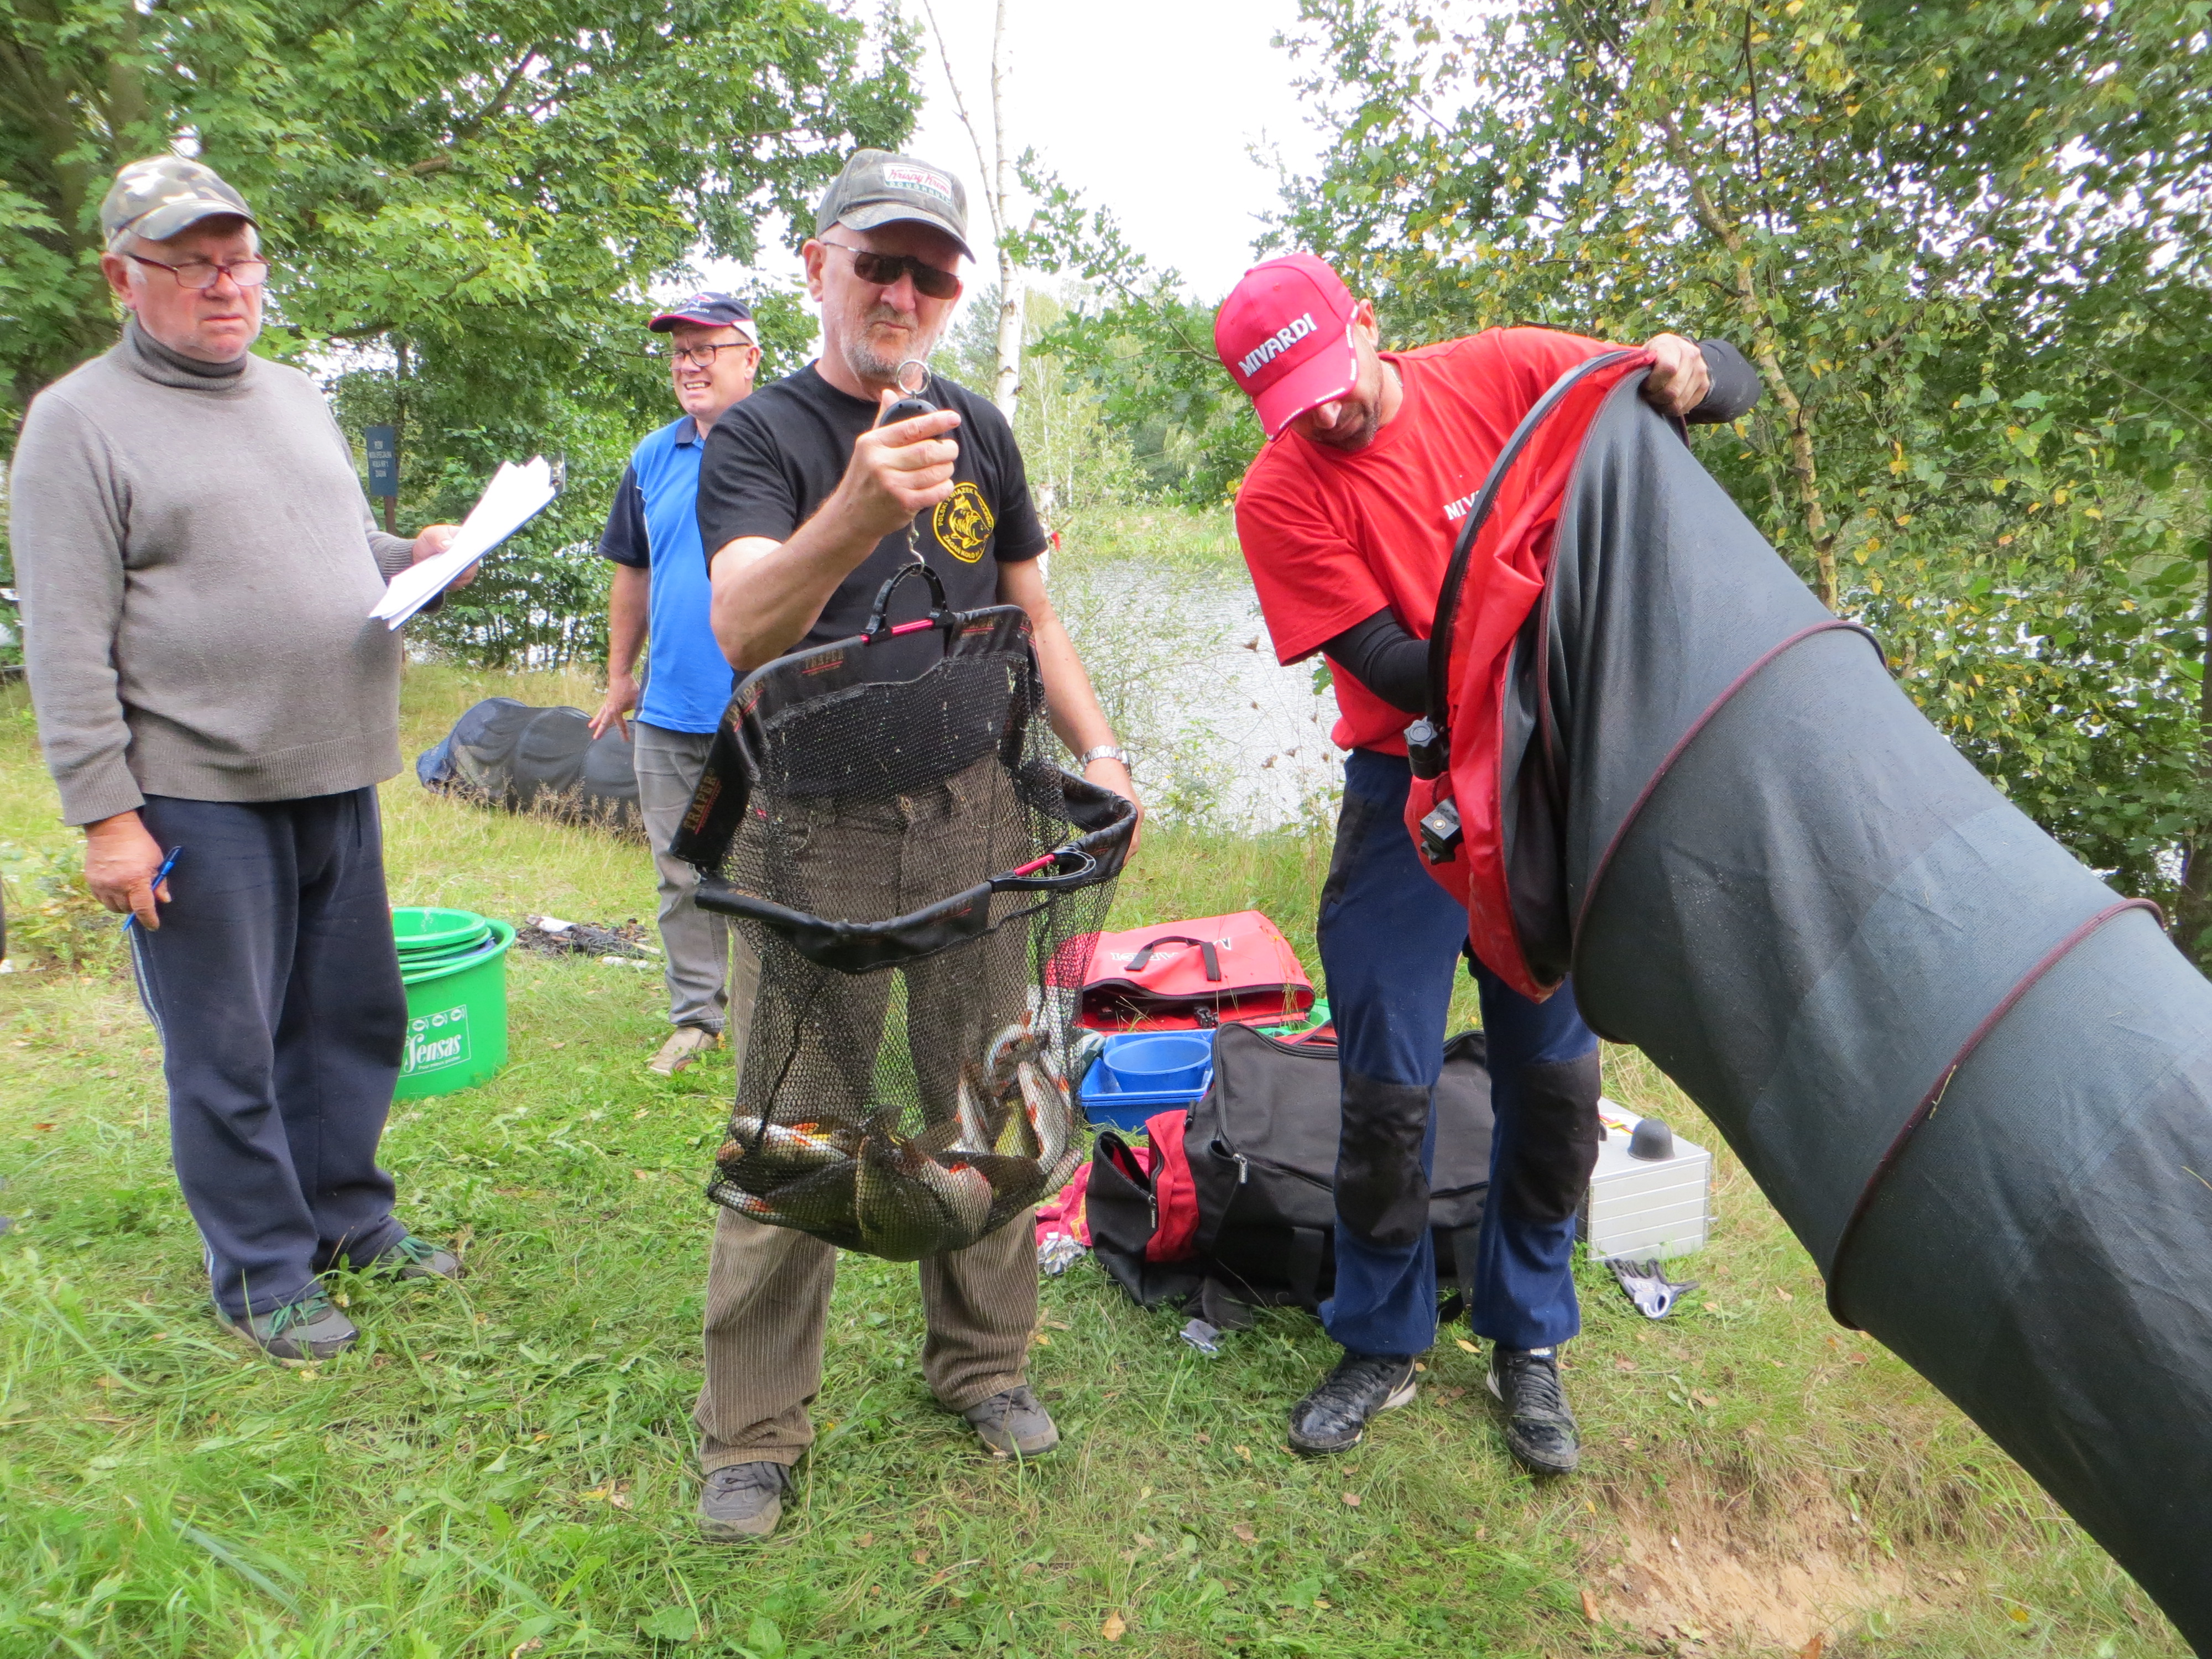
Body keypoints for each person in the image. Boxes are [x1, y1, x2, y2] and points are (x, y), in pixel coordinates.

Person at [1213, 253, 1760, 1473]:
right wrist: (1546, 616)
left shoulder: (1512, 373)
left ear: (1366, 323)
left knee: (1555, 1084)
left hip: (1545, 788)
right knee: (1385, 1089)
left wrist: (1694, 371)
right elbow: (1393, 665)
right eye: (1290, 405)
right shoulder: (1279, 495)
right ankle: (1381, 1338)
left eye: (1330, 378)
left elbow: (1723, 388)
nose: (1323, 414)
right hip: (1405, 789)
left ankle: (1528, 1336)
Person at [686, 148, 1139, 1541]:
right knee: (796, 1126)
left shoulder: (979, 430)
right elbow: (741, 627)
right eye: (875, 263)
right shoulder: (758, 439)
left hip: (977, 811)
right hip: (812, 830)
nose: (900, 292)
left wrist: (1103, 754)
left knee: (991, 1096)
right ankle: (753, 1431)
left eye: (929, 275)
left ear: (950, 296)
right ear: (817, 266)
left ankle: (983, 1366)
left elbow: (1033, 613)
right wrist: (859, 505)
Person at [8, 156, 470, 1365]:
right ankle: (262, 1272)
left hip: (335, 767)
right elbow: (63, 639)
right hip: (196, 791)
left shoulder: (295, 395)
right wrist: (108, 818)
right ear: (123, 278)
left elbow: (335, 547)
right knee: (229, 1046)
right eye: (192, 265)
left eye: (240, 261)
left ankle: (348, 1219)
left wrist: (414, 553)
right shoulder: (77, 423)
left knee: (350, 1017)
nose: (226, 286)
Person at [588, 291, 763, 1076]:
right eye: (680, 353)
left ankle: (778, 1018)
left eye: (706, 350)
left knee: (769, 867)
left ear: (749, 358)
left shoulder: (787, 442)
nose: (690, 366)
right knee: (680, 870)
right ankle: (697, 1017)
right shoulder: (653, 457)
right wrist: (620, 676)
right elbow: (633, 571)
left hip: (765, 707)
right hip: (669, 709)